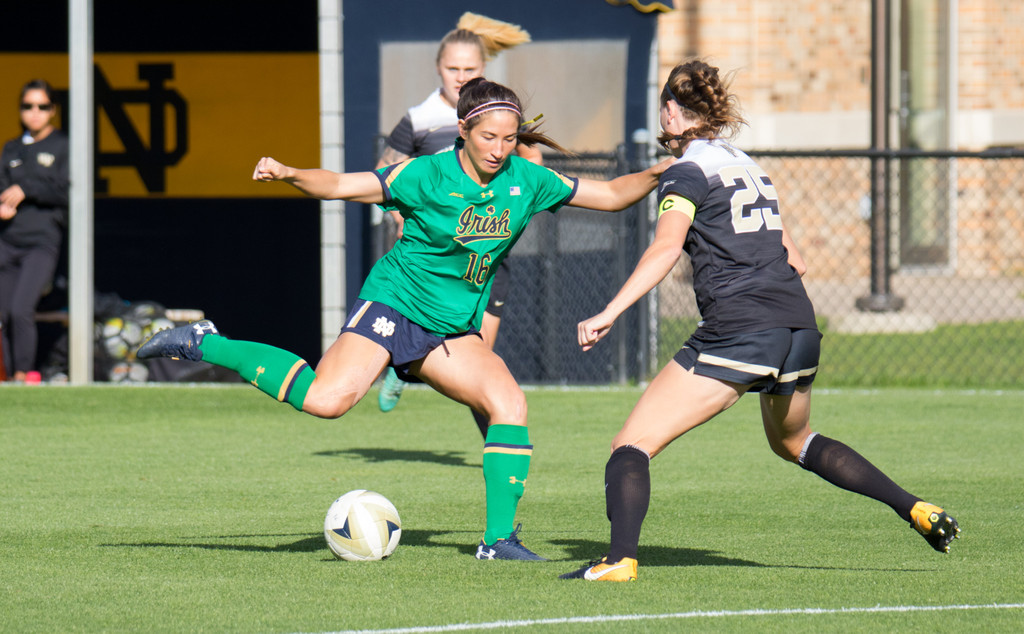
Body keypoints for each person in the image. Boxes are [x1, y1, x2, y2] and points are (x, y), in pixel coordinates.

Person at [139, 77, 671, 561]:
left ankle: (498, 541)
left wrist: (662, 171)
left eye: (509, 139)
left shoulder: (526, 180)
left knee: (509, 403)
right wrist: (289, 173)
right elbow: (342, 186)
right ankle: (205, 343)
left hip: (451, 328)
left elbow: (610, 194)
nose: (499, 149)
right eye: (489, 137)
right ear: (463, 130)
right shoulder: (426, 173)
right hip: (396, 303)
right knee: (327, 401)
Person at [560, 60, 960, 582]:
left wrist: (610, 311)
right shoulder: (749, 166)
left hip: (741, 326)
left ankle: (618, 561)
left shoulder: (688, 171)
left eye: (665, 109)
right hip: (797, 326)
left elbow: (664, 248)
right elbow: (795, 258)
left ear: (672, 112)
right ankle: (915, 508)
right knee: (796, 442)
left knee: (630, 446)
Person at [375, 13, 539, 439]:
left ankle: (498, 448)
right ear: (438, 69)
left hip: (485, 261)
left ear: (483, 71)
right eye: (454, 69)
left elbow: (534, 167)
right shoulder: (420, 118)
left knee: (482, 358)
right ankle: (408, 368)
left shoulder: (498, 116)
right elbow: (384, 174)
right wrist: (400, 215)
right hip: (433, 264)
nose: (462, 77)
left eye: (471, 70)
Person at [0, 79, 69, 383]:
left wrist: (26, 188)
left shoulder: (63, 146)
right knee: (2, 314)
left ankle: (23, 374)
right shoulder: (12, 148)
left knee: (20, 310)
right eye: (28, 106)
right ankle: (9, 377)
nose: (35, 113)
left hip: (41, 243)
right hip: (9, 239)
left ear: (52, 110)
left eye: (42, 106)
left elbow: (67, 192)